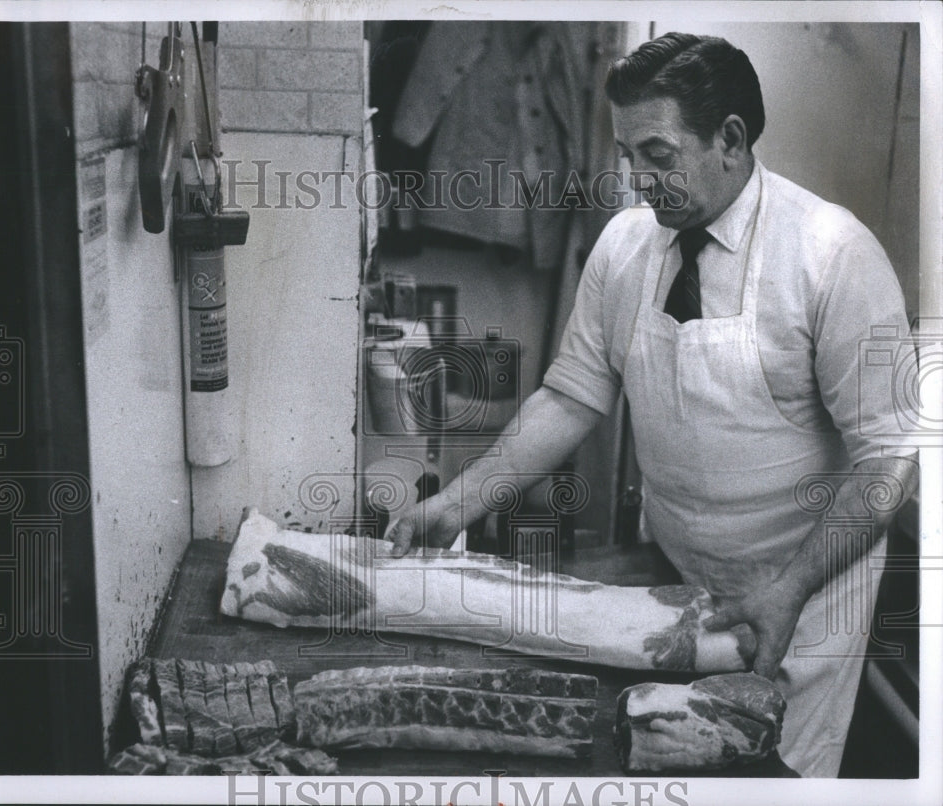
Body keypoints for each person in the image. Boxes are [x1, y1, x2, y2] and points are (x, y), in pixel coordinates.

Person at [388, 32, 920, 778]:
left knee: (771, 780)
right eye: (627, 153)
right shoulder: (626, 246)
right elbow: (571, 394)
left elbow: (890, 462)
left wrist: (791, 587)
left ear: (730, 139)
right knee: (668, 764)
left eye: (657, 154)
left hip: (804, 590)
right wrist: (458, 504)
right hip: (678, 581)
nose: (636, 177)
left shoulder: (833, 255)